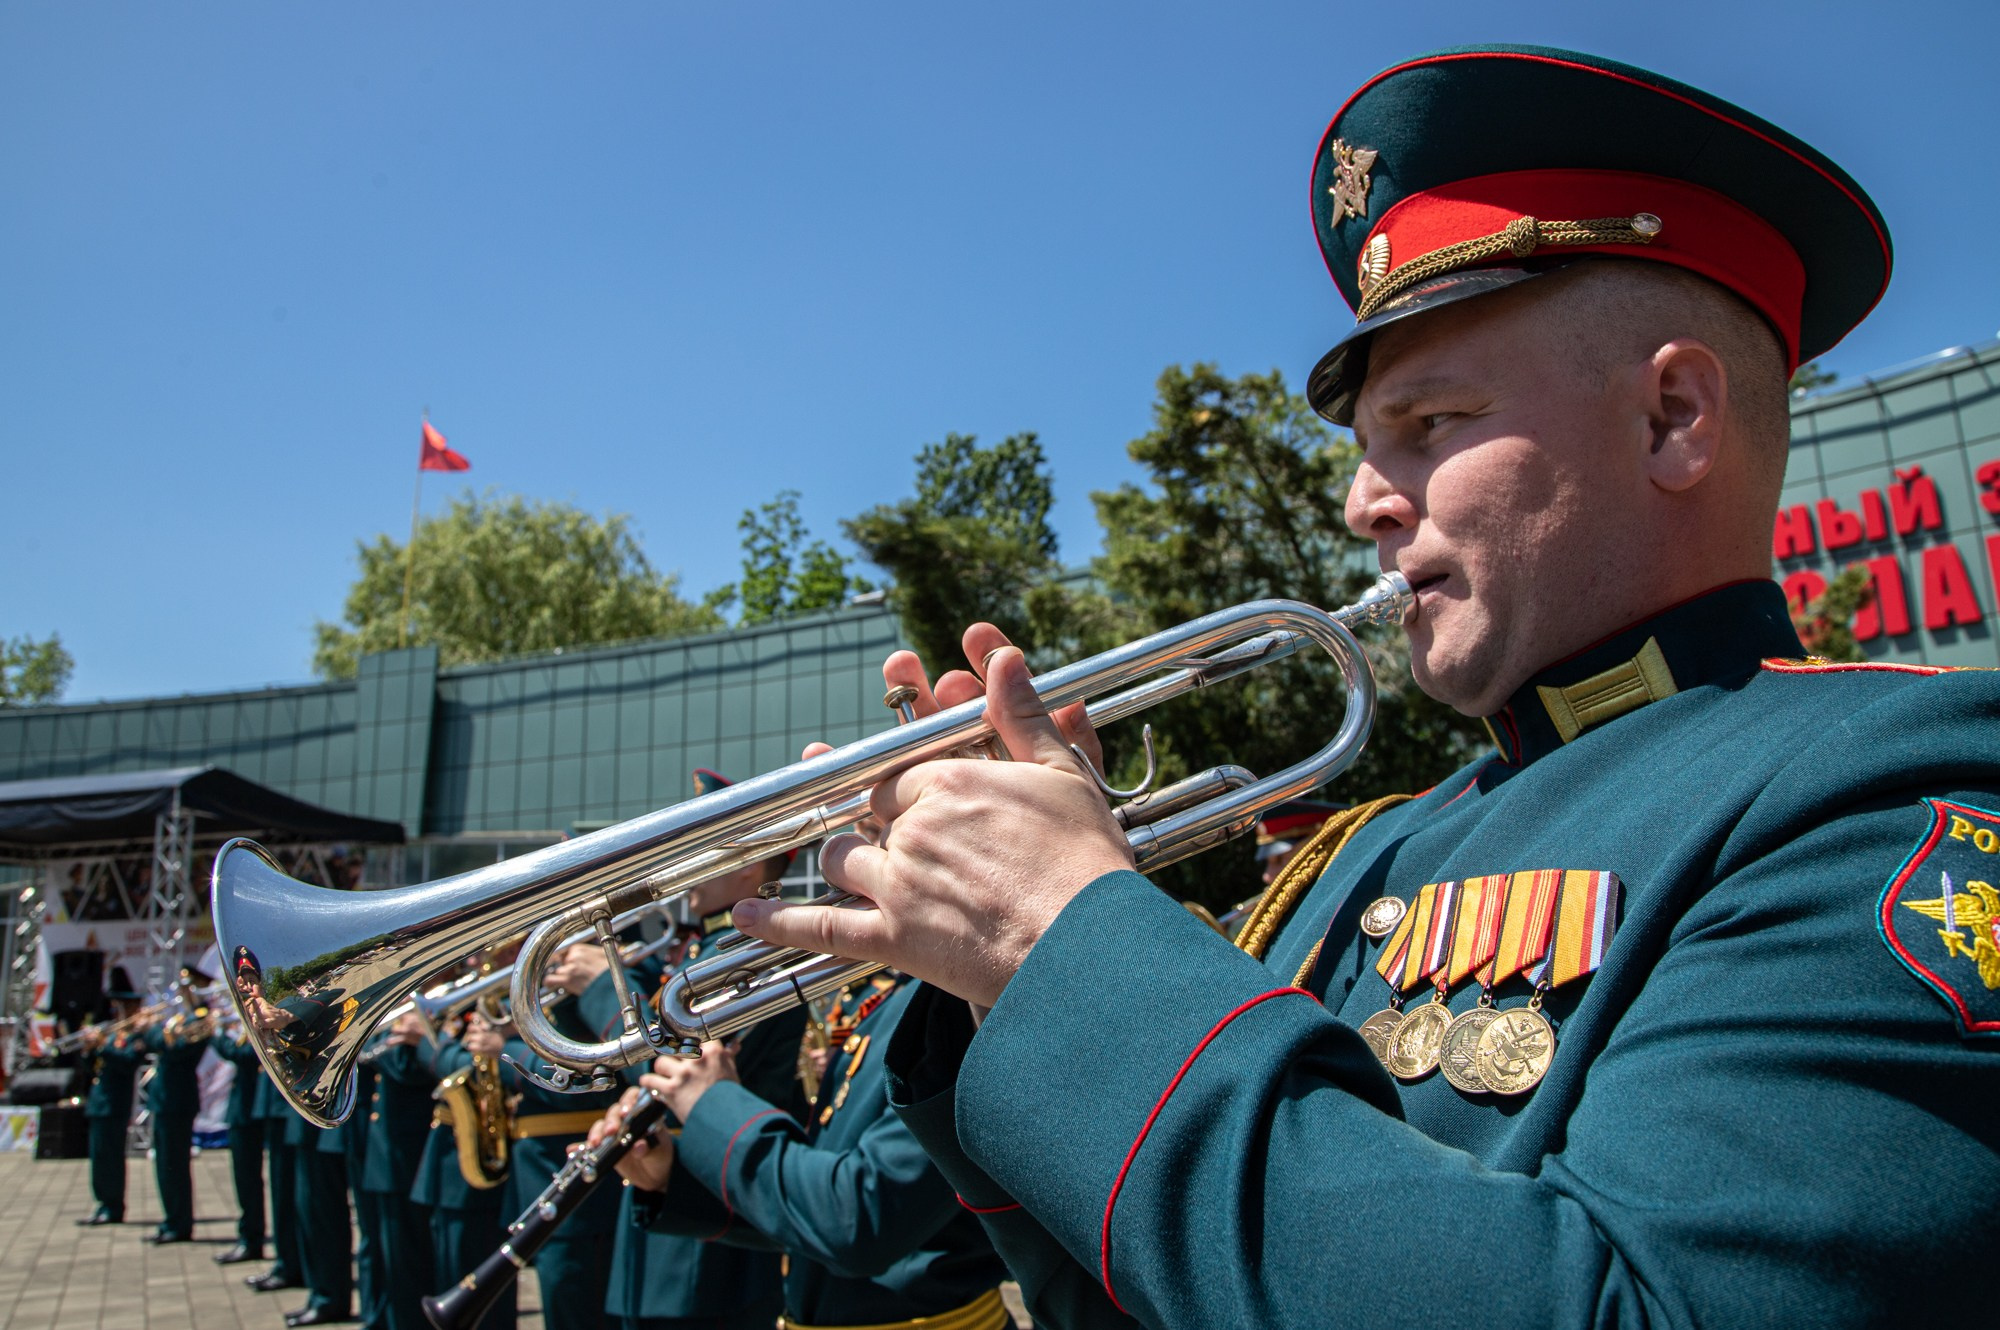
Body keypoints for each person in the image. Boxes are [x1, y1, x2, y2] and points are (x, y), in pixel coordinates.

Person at [730, 44, 2000, 1328]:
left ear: (1671, 413)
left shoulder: (1890, 800)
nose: (1360, 502)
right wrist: (990, 981)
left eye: (1431, 424)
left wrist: (1072, 942)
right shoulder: (1364, 852)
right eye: (1363, 448)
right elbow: (1139, 1295)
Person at [593, 969, 1014, 1330]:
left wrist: (715, 1105)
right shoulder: (900, 995)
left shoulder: (959, 1004)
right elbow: (815, 1204)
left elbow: (857, 1221)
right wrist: (672, 1178)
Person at [564, 767, 807, 1330]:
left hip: (710, 1231)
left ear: (748, 861)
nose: (678, 868)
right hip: (665, 1211)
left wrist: (606, 994)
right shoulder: (697, 948)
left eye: (697, 849)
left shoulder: (751, 952)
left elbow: (684, 1073)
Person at [360, 1013, 440, 1330]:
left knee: (410, 1264)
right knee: (386, 1255)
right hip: (387, 1149)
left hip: (411, 1150)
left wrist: (376, 1038)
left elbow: (406, 1068)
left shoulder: (429, 1009)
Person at [137, 966, 214, 1245]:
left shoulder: (201, 1019)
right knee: (165, 1163)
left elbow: (171, 1047)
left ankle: (179, 1223)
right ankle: (171, 1219)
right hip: (165, 1098)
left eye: (186, 988)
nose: (181, 993)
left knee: (174, 1165)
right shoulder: (182, 1018)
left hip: (178, 1099)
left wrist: (150, 1028)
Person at [75, 968, 145, 1227]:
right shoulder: (114, 1034)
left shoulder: (134, 1037)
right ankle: (102, 1202)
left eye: (122, 1006)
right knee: (99, 1157)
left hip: (115, 1104)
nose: (118, 1011)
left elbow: (128, 1062)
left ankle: (113, 1206)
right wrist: (88, 1051)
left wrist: (103, 1045)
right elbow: (92, 1068)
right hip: (99, 1103)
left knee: (111, 1158)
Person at [211, 1016, 269, 1264]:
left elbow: (246, 1053)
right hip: (243, 1108)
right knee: (244, 1179)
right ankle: (249, 1236)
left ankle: (252, 1239)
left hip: (254, 1107)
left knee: (252, 1179)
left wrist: (218, 1034)